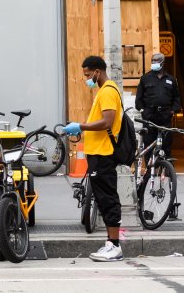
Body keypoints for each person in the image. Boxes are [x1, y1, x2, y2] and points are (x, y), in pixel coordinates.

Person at [62, 55, 124, 262]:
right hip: (99, 152)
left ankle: (114, 246)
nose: (86, 78)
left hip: (104, 153)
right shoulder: (105, 90)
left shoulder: (107, 91)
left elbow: (107, 122)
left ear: (97, 71)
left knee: (107, 198)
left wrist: (80, 126)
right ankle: (110, 243)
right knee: (104, 198)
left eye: (88, 74)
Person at [134, 52, 181, 165]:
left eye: (156, 61)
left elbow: (176, 97)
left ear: (163, 63)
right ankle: (149, 170)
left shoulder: (171, 79)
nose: (154, 63)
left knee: (166, 142)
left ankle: (166, 168)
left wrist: (173, 111)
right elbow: (139, 99)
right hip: (149, 115)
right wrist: (143, 111)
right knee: (149, 141)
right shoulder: (145, 78)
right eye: (152, 61)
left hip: (165, 115)